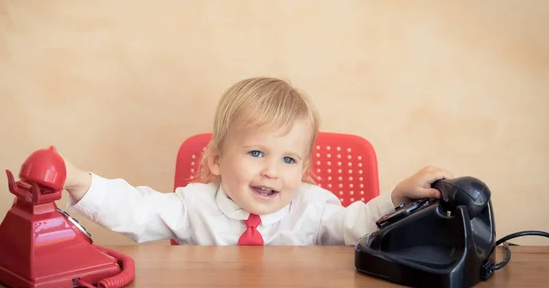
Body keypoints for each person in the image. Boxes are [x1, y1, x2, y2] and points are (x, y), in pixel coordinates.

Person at [63, 77, 453, 245]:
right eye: (255, 153)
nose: (271, 171)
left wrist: (398, 197)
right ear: (216, 159)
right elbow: (137, 210)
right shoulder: (193, 205)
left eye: (288, 159)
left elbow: (359, 226)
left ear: (303, 169)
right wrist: (81, 182)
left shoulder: (315, 207)